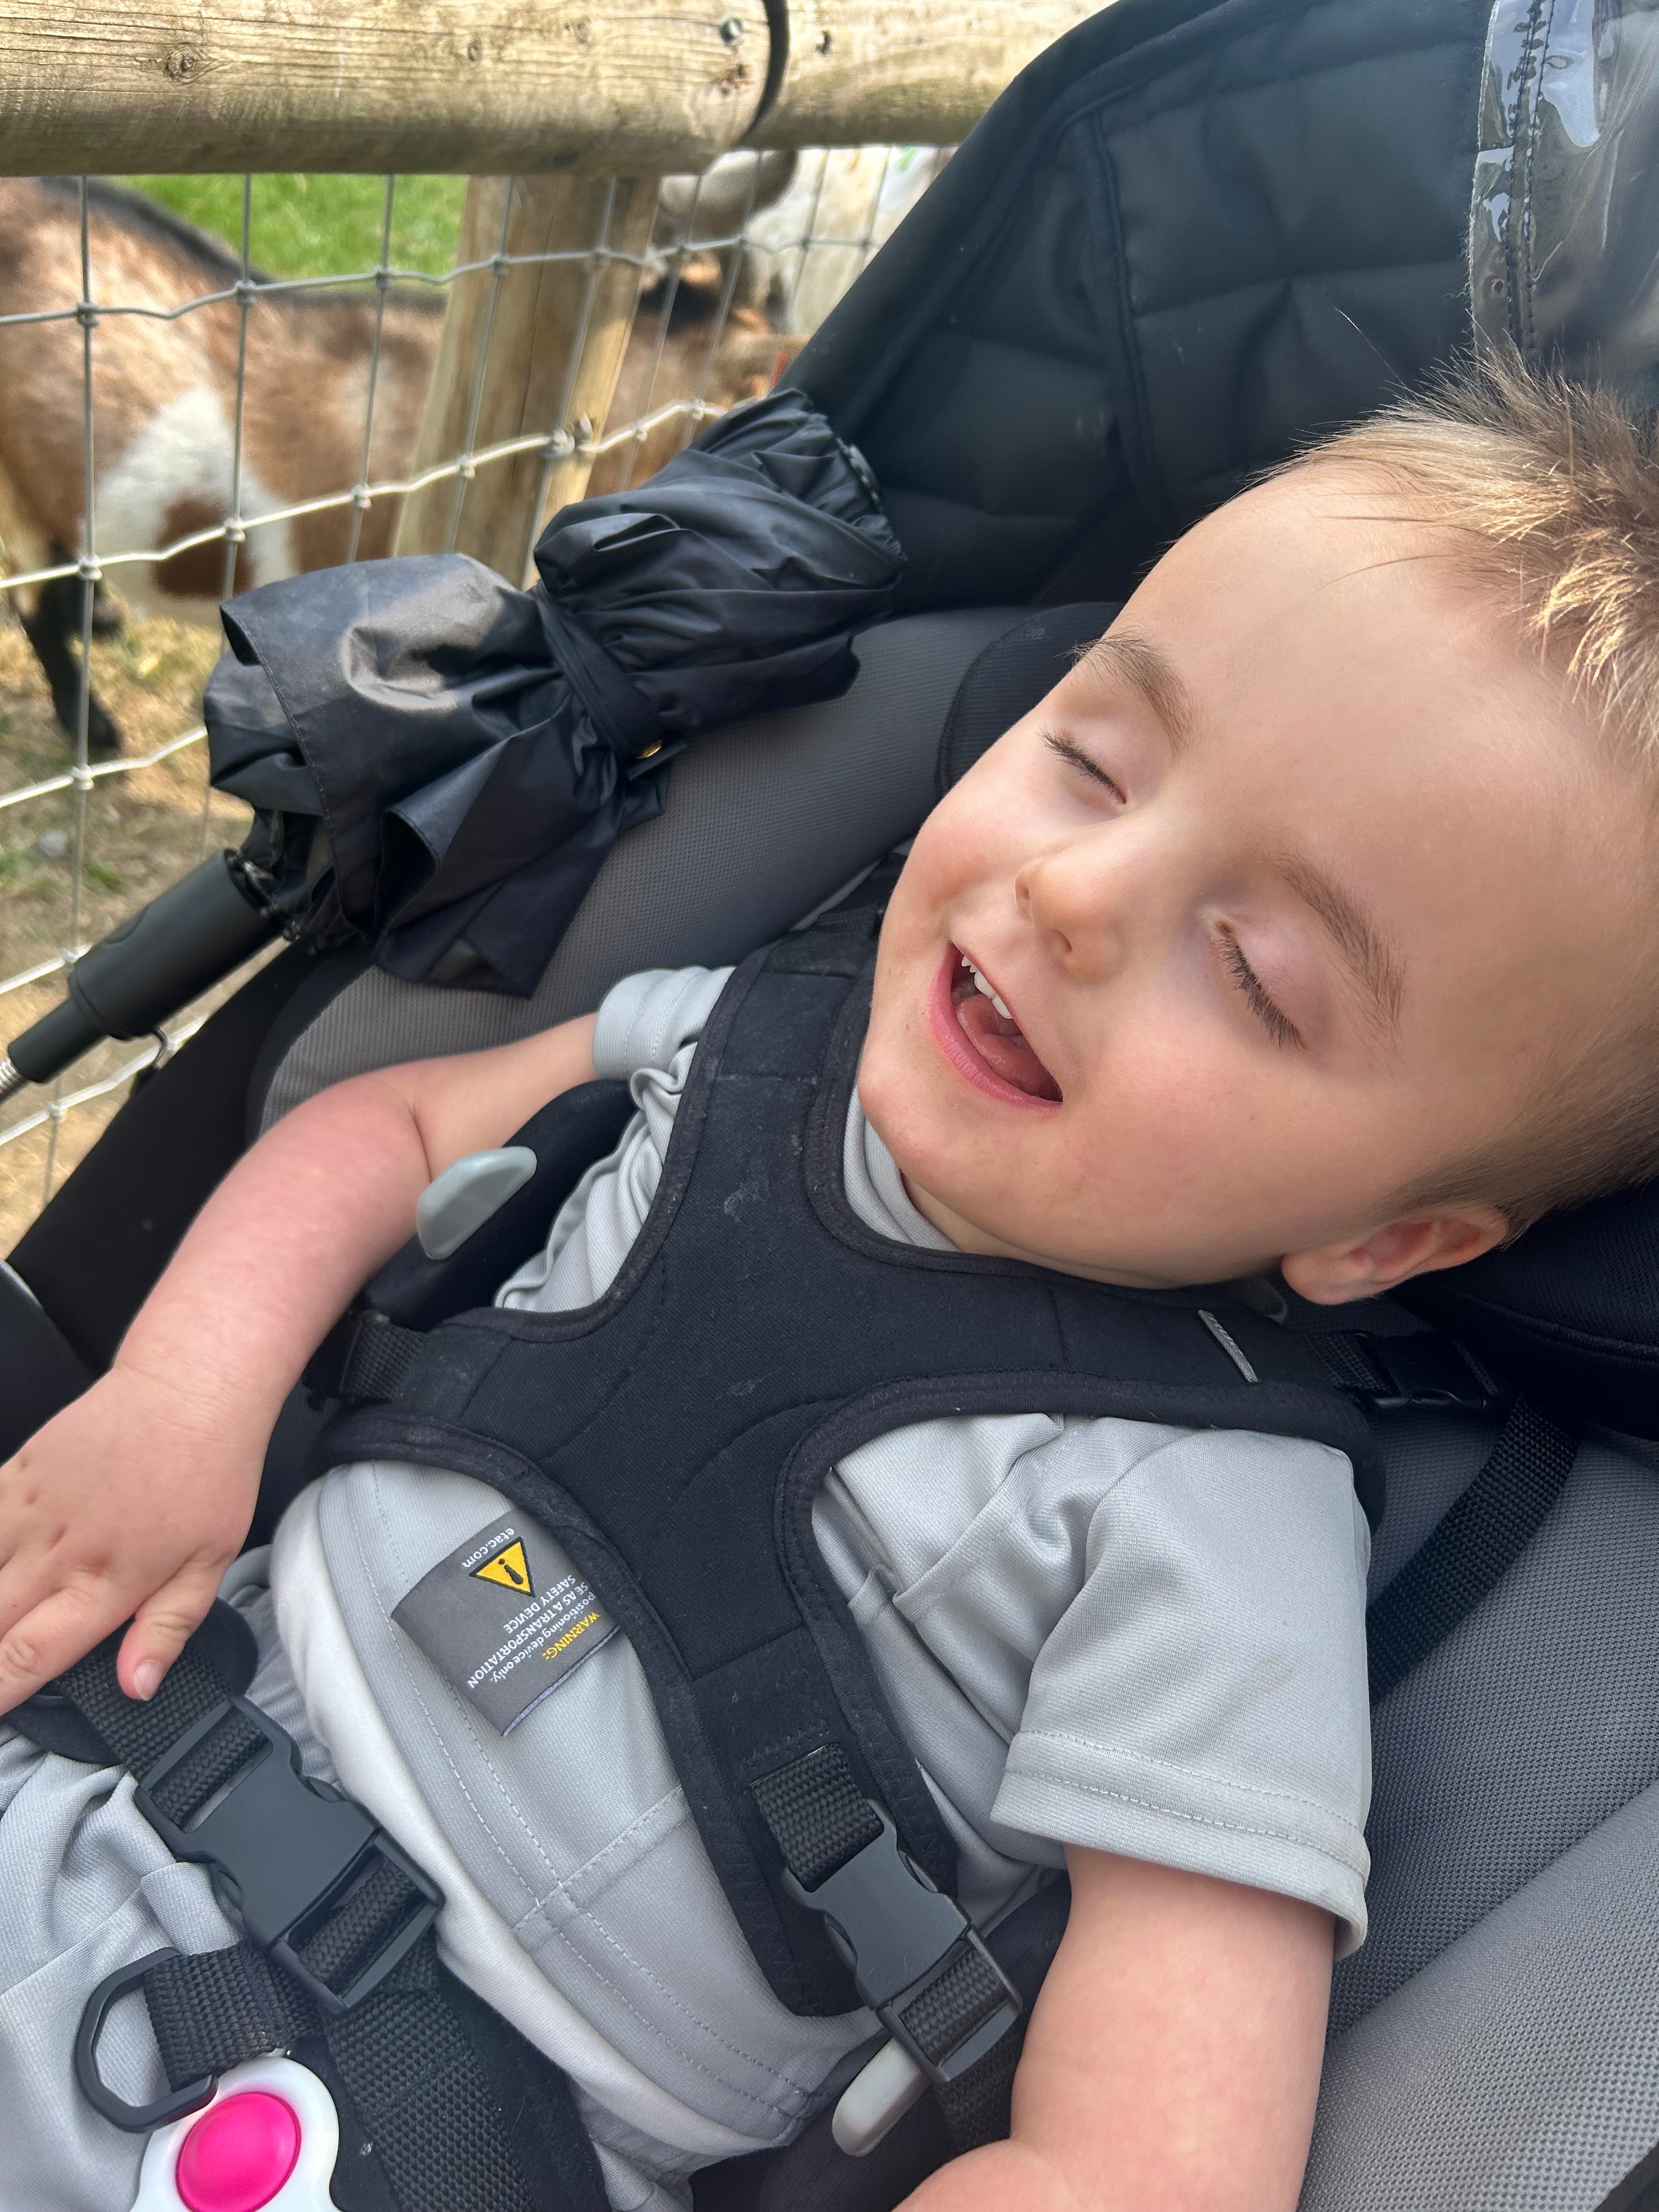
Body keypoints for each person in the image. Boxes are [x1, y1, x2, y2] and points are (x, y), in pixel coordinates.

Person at [4, 354, 1659, 2212]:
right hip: (97, 1746)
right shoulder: (739, 1038)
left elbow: (1149, 2167)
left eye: (1257, 974)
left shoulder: (1213, 1531)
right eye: (1092, 761)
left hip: (344, 2131)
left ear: (1388, 1243)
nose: (1078, 895)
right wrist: (182, 1397)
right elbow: (386, 1129)